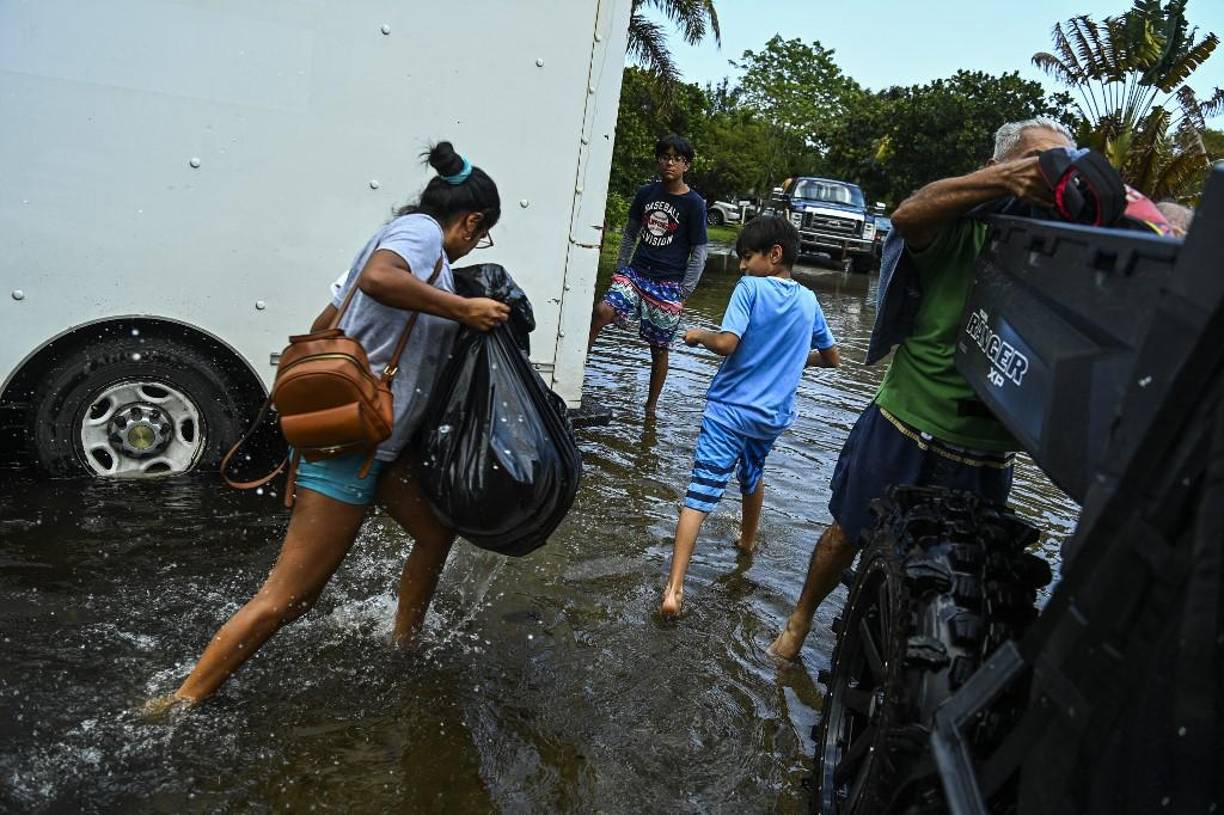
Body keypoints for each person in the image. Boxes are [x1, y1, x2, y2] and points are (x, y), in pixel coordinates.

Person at [152, 142, 510, 707]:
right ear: (472, 221)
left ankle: (404, 644)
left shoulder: (417, 248)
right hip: (353, 445)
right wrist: (464, 309)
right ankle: (179, 702)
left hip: (378, 445)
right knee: (290, 598)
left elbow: (328, 319)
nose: (475, 244)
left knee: (435, 533)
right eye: (480, 235)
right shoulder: (418, 234)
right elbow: (374, 281)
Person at [769, 118, 1075, 660]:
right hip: (904, 427)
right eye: (1034, 164)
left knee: (968, 578)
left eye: (1059, 166)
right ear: (996, 168)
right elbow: (908, 214)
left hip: (988, 456)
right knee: (846, 534)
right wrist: (1007, 184)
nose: (1046, 180)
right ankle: (798, 622)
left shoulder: (1067, 252)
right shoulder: (961, 229)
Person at [660, 215, 840, 617]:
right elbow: (832, 358)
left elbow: (726, 343)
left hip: (729, 411)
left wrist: (698, 334)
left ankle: (674, 590)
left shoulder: (750, 288)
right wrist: (793, 360)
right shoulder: (809, 301)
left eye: (746, 257)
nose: (741, 266)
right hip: (770, 418)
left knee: (700, 491)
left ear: (773, 255)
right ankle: (747, 541)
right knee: (753, 473)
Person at [588, 134, 710, 418]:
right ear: (658, 161)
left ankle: (651, 408)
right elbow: (631, 234)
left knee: (659, 347)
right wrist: (620, 269)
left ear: (686, 165)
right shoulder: (646, 194)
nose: (670, 163)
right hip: (636, 273)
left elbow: (699, 252)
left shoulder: (694, 204)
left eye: (677, 159)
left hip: (668, 284)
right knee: (602, 311)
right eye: (665, 157)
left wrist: (684, 292)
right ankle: (574, 373)